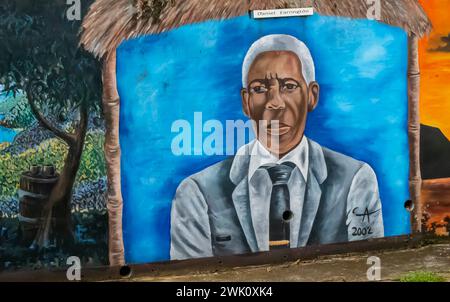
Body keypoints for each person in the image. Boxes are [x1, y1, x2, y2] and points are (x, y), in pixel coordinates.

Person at [170, 34, 384, 260]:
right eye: (260, 88)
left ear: (312, 96)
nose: (275, 102)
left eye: (289, 86)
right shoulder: (197, 193)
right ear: (246, 102)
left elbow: (366, 265)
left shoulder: (355, 180)